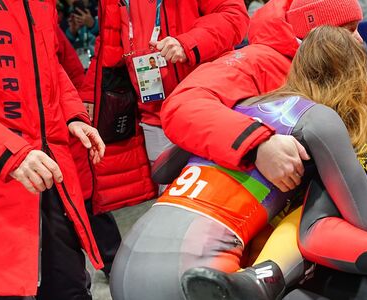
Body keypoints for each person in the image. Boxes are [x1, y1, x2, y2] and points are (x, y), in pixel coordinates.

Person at [112, 26, 367, 300]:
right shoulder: (320, 120)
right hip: (197, 275)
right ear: (356, 75)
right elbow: (365, 221)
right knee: (317, 206)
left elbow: (163, 168)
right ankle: (261, 280)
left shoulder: (245, 104)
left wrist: (247, 148)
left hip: (128, 260)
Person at [160, 0, 365, 195]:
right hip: (236, 201)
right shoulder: (256, 62)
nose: (359, 40)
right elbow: (183, 106)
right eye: (349, 30)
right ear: (318, 34)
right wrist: (257, 145)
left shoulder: (325, 66)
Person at [82, 0, 248, 215]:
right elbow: (107, 46)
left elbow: (234, 15)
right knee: (173, 206)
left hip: (207, 107)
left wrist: (188, 43)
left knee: (222, 201)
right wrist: (90, 94)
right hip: (154, 117)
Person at [0, 1, 106, 298]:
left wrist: (72, 114)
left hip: (48, 171)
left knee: (69, 285)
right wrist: (7, 151)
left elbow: (49, 63)